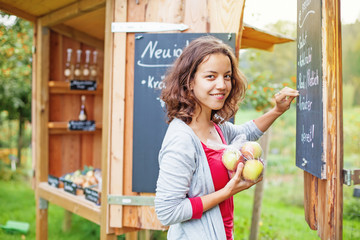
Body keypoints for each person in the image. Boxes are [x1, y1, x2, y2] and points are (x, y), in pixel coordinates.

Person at [154, 35, 299, 240]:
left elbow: (246, 132)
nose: (222, 85)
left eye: (227, 76)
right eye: (211, 76)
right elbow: (167, 212)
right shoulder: (182, 140)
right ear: (190, 81)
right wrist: (227, 192)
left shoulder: (216, 127)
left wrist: (277, 110)